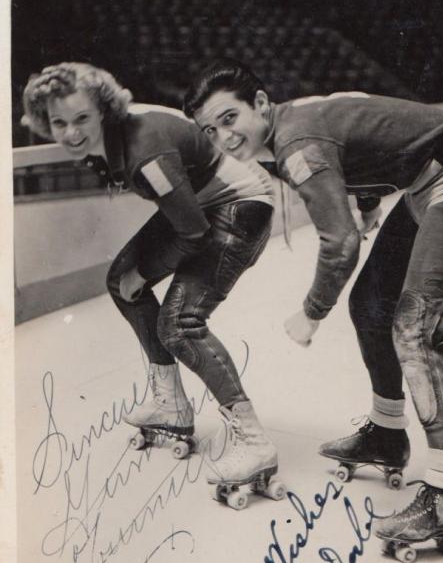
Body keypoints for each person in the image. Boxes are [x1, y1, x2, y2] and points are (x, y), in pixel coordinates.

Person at [184, 58, 443, 551]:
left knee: (414, 329)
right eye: (210, 131)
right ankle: (388, 434)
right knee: (370, 304)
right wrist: (369, 204)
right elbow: (364, 138)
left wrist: (311, 312)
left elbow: (340, 243)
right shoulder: (292, 124)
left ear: (260, 104)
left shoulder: (296, 143)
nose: (224, 137)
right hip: (425, 177)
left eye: (229, 119)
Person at [21, 62, 280, 493]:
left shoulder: (146, 154)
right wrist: (136, 273)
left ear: (104, 110)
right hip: (204, 203)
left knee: (179, 324)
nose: (70, 133)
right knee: (118, 280)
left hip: (241, 208)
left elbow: (194, 232)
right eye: (58, 122)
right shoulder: (112, 137)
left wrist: (144, 271)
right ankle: (172, 406)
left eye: (82, 119)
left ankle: (255, 442)